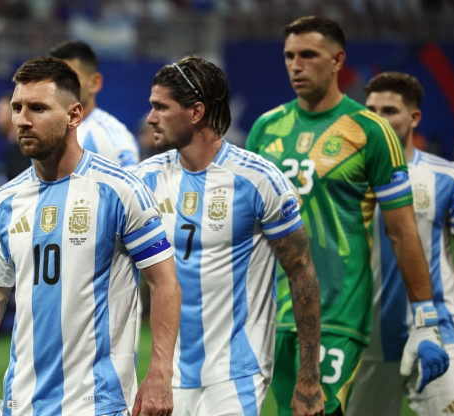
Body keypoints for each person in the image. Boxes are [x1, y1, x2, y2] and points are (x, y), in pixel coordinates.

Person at [0, 56, 181, 416]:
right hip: (22, 401)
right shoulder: (5, 202)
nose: (22, 120)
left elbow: (164, 282)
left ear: (74, 115)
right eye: (17, 107)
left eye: (38, 108)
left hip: (98, 402)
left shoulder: (120, 191)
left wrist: (160, 372)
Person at [246, 16, 449, 415]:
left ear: (338, 60)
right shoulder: (265, 129)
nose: (296, 65)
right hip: (273, 314)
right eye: (289, 55)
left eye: (308, 55)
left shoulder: (371, 131)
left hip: (337, 312)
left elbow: (403, 233)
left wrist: (425, 319)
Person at [135, 55, 324, 416]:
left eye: (161, 107)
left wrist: (309, 378)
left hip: (235, 372)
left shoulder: (258, 180)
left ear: (195, 112)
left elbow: (302, 275)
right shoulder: (145, 180)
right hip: (166, 371)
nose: (150, 118)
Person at [346, 72, 454, 416]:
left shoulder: (448, 177)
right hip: (368, 341)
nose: (378, 119)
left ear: (414, 117)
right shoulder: (347, 181)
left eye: (389, 111)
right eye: (371, 110)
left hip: (436, 333)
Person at [50, 40, 140, 168]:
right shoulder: (44, 129)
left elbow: (130, 187)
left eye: (70, 78)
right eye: (55, 79)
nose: (60, 87)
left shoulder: (114, 139)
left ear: (94, 83)